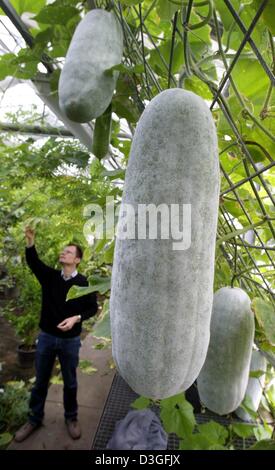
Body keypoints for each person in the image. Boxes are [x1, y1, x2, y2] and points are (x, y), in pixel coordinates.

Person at [14, 227, 98, 442]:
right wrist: (30, 241)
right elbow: (34, 263)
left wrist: (75, 318)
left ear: (77, 260)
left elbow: (91, 308)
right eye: (63, 251)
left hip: (70, 341)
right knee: (41, 381)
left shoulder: (84, 283)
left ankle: (71, 418)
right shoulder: (50, 277)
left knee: (70, 381)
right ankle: (34, 418)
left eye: (68, 252)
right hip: (47, 338)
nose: (63, 253)